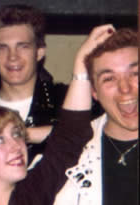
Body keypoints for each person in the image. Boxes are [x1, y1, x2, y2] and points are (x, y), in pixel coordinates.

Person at [0, 24, 114, 205]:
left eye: (17, 134)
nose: (17, 145)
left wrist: (82, 65)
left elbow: (71, 136)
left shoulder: (32, 194)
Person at [0, 4, 69, 167]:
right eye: (2, 49)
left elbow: (90, 138)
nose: (12, 57)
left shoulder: (66, 100)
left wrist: (23, 134)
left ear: (39, 52)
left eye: (23, 46)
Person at [54, 27, 138, 205]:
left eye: (135, 74)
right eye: (109, 78)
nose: (125, 88)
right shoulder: (71, 155)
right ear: (94, 92)